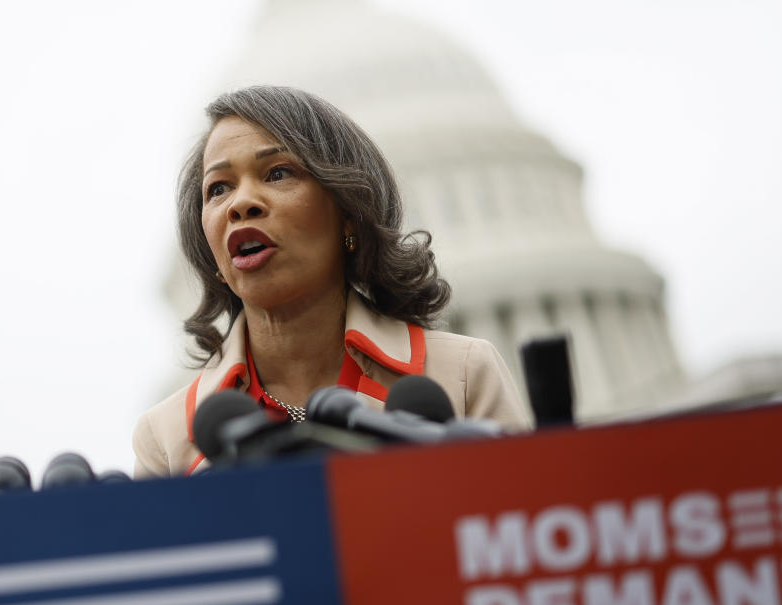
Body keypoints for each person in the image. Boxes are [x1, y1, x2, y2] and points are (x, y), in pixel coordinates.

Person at [134, 86, 527, 478]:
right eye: (218, 188)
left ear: (349, 214)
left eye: (277, 173)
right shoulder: (166, 439)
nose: (241, 203)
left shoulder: (461, 374)